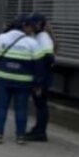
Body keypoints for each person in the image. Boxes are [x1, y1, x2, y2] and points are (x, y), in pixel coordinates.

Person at [0, 15, 41, 145]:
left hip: (3, 78)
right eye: (30, 26)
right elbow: (38, 64)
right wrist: (37, 83)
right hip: (23, 81)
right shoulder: (32, 43)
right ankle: (20, 136)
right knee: (21, 109)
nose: (31, 29)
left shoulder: (2, 38)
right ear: (24, 26)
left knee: (1, 107)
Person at [26, 13, 55, 142]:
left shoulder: (43, 37)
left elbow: (47, 59)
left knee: (41, 104)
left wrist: (39, 81)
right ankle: (38, 128)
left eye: (33, 24)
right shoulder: (38, 36)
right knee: (39, 104)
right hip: (40, 76)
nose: (31, 26)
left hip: (42, 78)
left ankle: (41, 132)